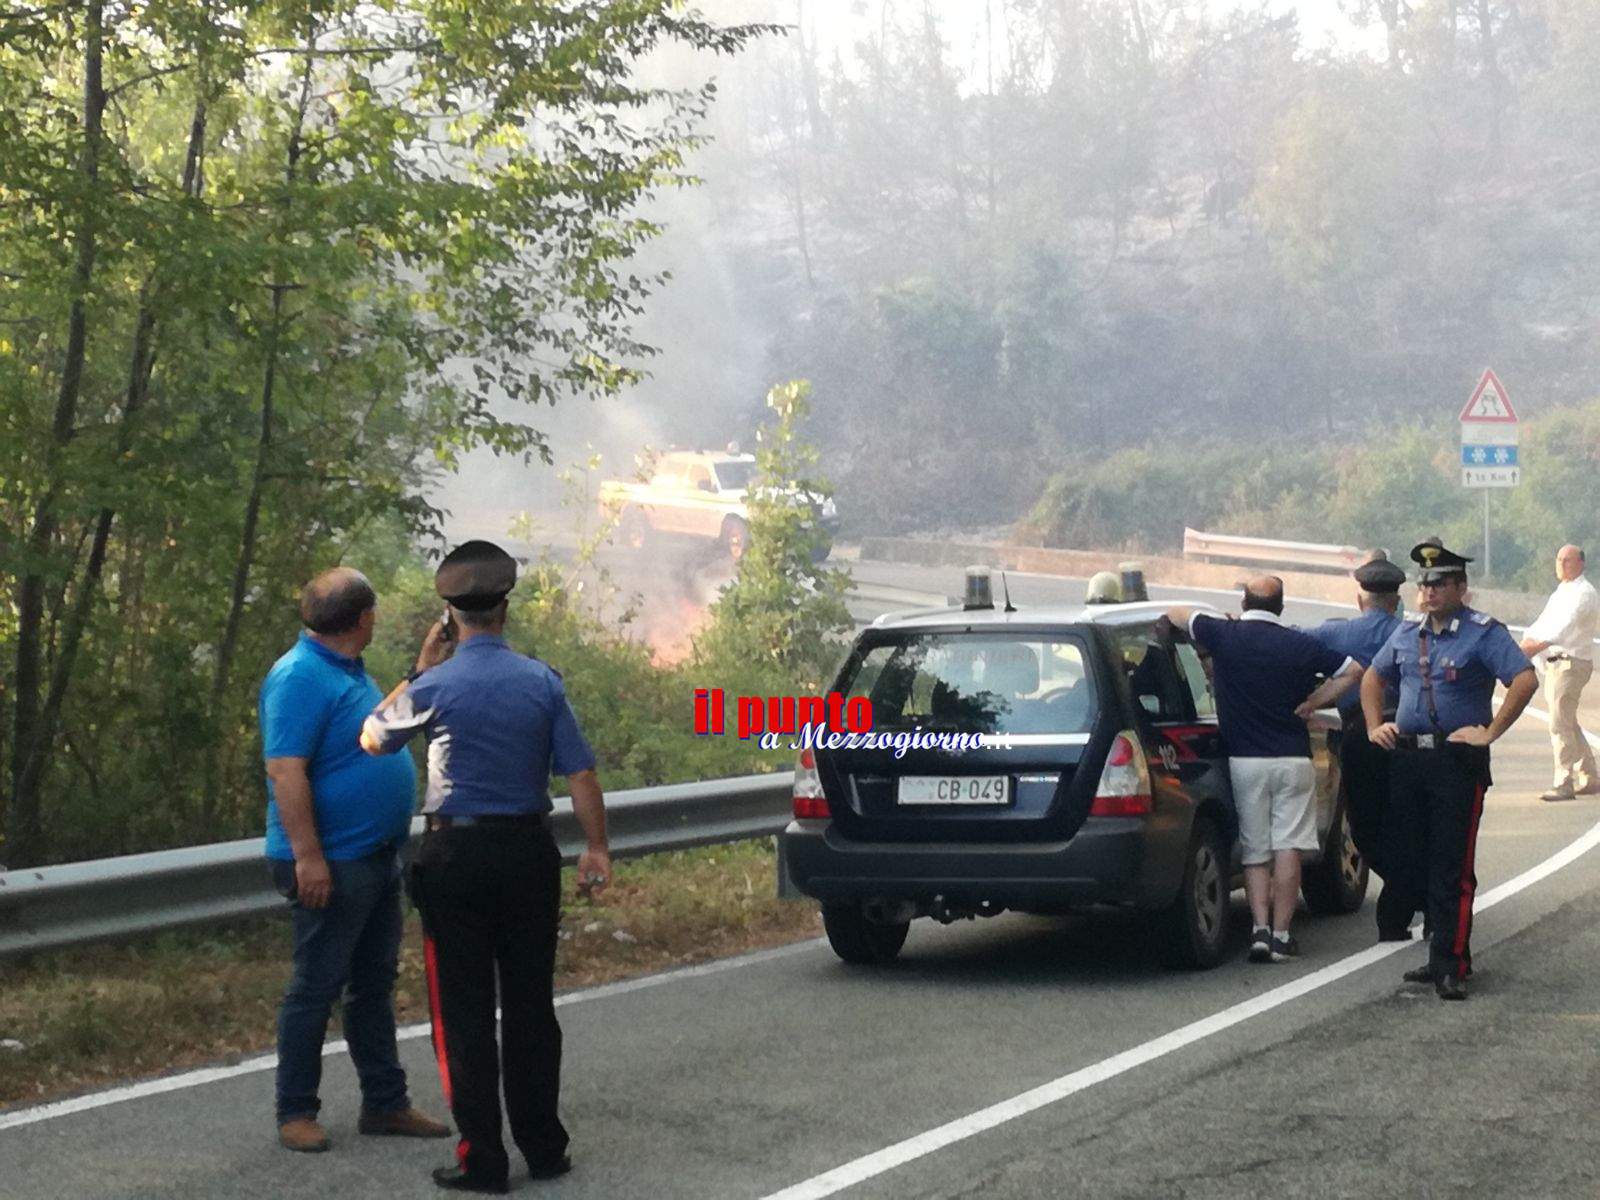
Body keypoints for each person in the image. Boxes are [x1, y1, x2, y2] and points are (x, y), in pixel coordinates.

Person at [360, 541, 611, 1194]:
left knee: (463, 1014)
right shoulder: (541, 681)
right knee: (531, 1005)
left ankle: (483, 1159)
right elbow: (579, 770)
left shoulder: (435, 685)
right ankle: (545, 1147)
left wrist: (420, 667)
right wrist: (597, 848)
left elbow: (372, 735)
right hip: (529, 855)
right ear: (504, 609)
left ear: (450, 613)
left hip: (455, 859)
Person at [259, 567, 450, 1153]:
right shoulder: (298, 677)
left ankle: (385, 1103)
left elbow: (376, 728)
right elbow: (284, 770)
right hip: (332, 860)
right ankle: (296, 1110)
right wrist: (308, 857)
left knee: (371, 984)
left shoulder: (342, 669)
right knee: (315, 986)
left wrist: (420, 673)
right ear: (363, 619)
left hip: (372, 855)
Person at [1362, 540, 1538, 1001]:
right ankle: (1438, 949)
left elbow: (1524, 678)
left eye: (1439, 582)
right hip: (1409, 759)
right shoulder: (1407, 633)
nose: (1429, 591)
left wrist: (1491, 731)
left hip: (1455, 763)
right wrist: (1373, 724)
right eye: (1424, 583)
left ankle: (1450, 962)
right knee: (1412, 857)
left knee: (1451, 865)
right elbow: (1371, 677)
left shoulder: (1482, 633)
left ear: (1461, 587)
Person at [1166, 577, 1363, 964]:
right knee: (1287, 847)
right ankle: (1282, 934)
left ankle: (1258, 931)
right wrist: (1312, 702)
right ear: (1281, 606)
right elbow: (1354, 670)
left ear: (1243, 601)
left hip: (1246, 761)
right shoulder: (1300, 643)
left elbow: (1176, 612)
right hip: (1293, 758)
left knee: (1256, 849)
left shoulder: (1224, 634)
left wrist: (1213, 620)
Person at [1307, 555, 1411, 940]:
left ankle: (1405, 892)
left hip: (1361, 738)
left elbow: (1292, 645)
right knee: (1409, 822)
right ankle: (1418, 896)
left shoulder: (1338, 634)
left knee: (1364, 829)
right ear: (1396, 599)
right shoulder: (1411, 632)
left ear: (1359, 599)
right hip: (1409, 737)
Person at [1518, 544, 1600, 801]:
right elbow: (1544, 622)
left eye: (1568, 560)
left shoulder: (1584, 593)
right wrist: (1526, 641)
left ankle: (1563, 781)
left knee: (1558, 723)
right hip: (1554, 663)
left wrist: (1535, 647)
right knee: (1565, 720)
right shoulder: (1561, 592)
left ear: (1581, 564)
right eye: (1559, 560)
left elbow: (1564, 628)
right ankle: (1589, 774)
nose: (1562, 564)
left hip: (1571, 662)